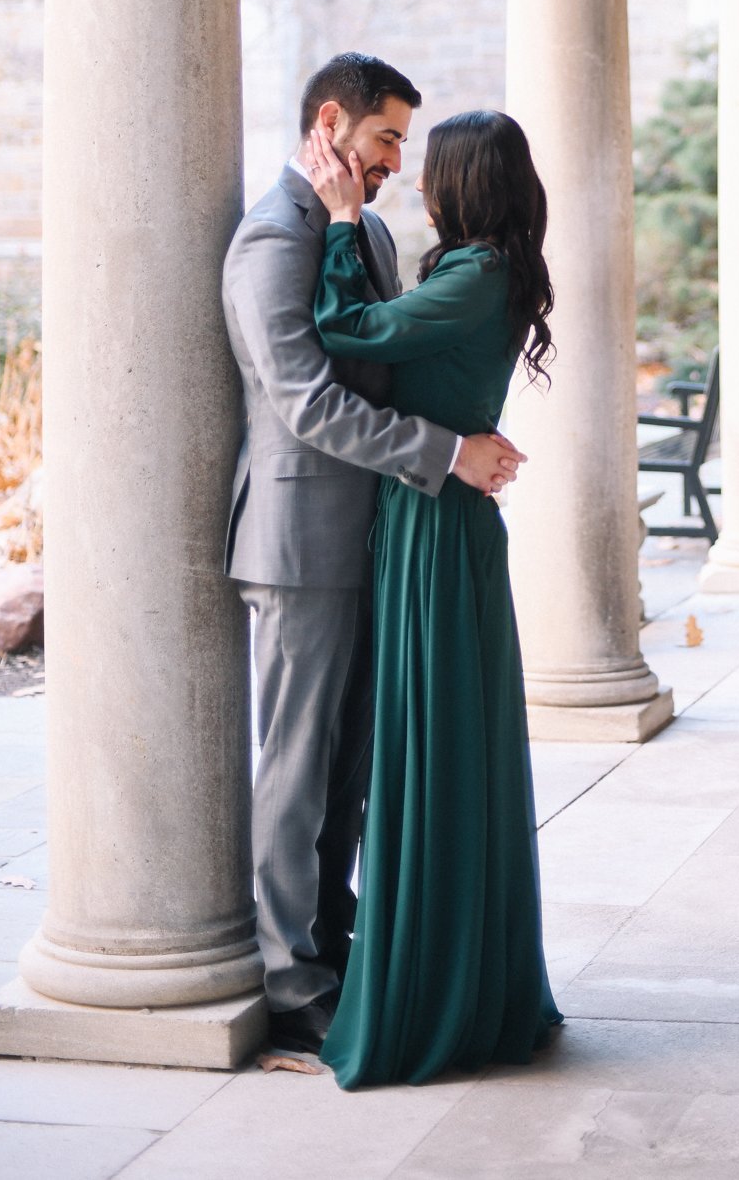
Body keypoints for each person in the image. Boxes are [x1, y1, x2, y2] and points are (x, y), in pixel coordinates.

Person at [222, 53, 524, 1057]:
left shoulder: (369, 231)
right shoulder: (273, 236)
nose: (397, 160)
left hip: (378, 537)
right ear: (330, 124)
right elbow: (306, 402)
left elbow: (390, 366)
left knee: (351, 766)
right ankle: (286, 976)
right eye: (386, 136)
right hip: (302, 539)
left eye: (402, 141)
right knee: (299, 766)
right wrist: (445, 454)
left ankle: (337, 939)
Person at [305, 107, 562, 1088]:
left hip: (433, 530)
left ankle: (432, 998)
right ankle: (471, 980)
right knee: (446, 748)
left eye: (434, 172)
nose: (417, 185)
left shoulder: (475, 273)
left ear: (466, 186)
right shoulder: (483, 272)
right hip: (439, 523)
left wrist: (335, 222)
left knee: (432, 748)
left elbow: (346, 329)